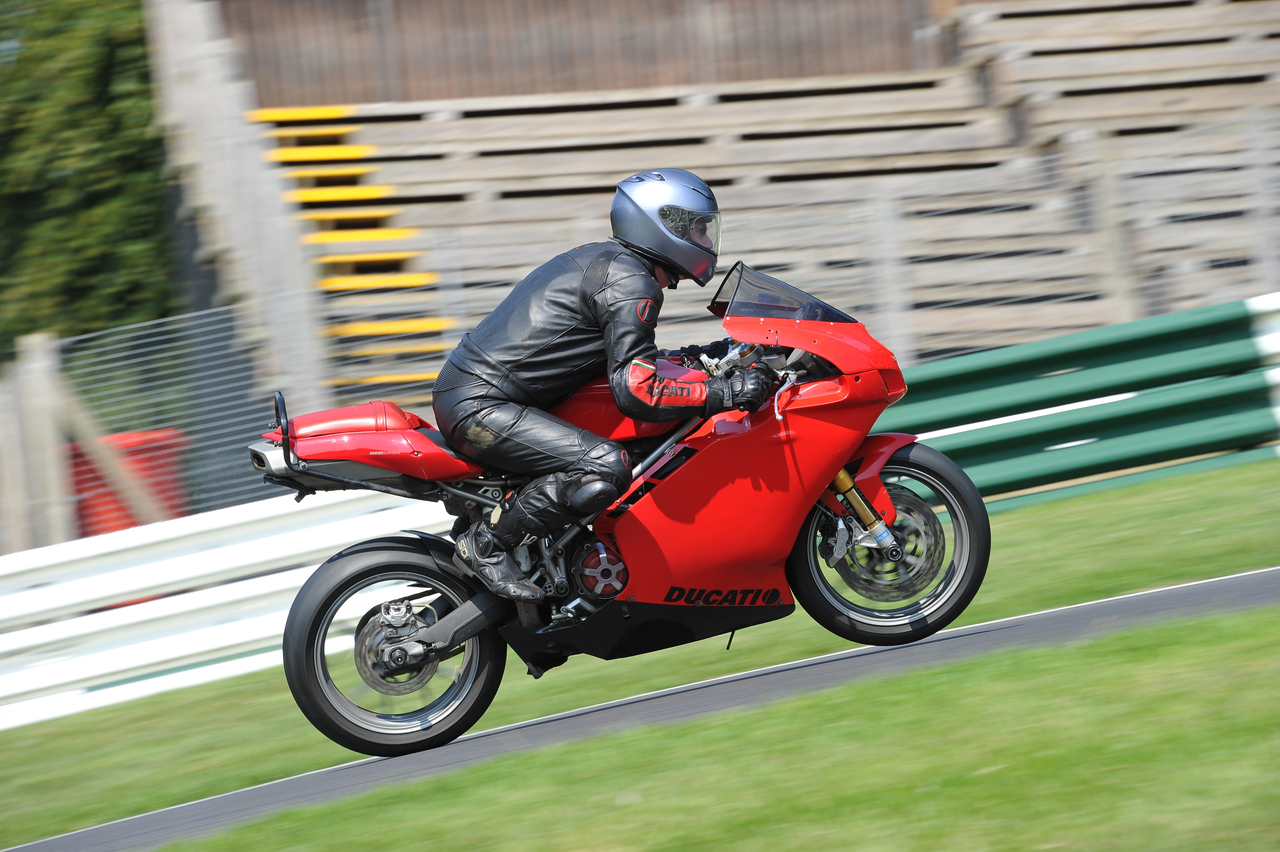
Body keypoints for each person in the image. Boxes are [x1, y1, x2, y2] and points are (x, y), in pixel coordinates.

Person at [432, 169, 771, 602]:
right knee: (604, 467)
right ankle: (488, 542)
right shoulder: (631, 283)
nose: (706, 241)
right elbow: (638, 390)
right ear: (662, 225)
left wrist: (705, 353)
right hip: (481, 406)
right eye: (698, 229)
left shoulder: (613, 263)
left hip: (482, 395)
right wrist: (726, 394)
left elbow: (626, 356)